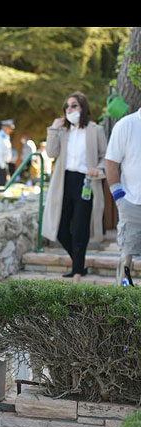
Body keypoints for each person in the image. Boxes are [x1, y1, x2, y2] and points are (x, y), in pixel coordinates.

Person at [41, 92, 107, 283]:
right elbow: (52, 153)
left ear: (83, 108)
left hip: (86, 182)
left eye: (73, 106)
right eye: (67, 107)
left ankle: (77, 270)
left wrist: (98, 169)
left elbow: (105, 155)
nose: (69, 110)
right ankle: (80, 263)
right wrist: (53, 128)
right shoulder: (63, 131)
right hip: (64, 182)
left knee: (80, 229)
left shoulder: (95, 130)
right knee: (61, 229)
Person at [104, 106, 141, 285]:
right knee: (126, 260)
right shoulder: (126, 125)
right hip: (132, 204)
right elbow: (111, 163)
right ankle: (123, 301)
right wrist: (120, 199)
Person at [0, 119, 14, 186]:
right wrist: (3, 166)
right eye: (9, 128)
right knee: (1, 184)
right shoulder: (0, 137)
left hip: (4, 164)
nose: (11, 130)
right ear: (4, 127)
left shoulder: (6, 137)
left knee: (4, 183)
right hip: (0, 164)